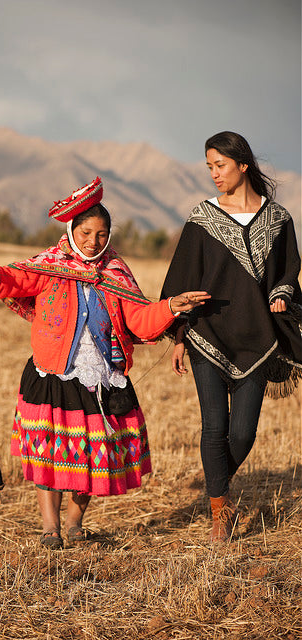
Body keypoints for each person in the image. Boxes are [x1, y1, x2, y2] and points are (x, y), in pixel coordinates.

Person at [0, 177, 210, 549]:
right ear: (72, 231)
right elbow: (10, 279)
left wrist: (170, 306)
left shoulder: (117, 274)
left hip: (101, 379)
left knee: (89, 460)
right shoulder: (50, 267)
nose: (94, 241)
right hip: (53, 376)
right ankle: (49, 528)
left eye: (102, 234)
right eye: (86, 232)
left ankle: (75, 522)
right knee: (49, 459)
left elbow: (139, 320)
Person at [160, 132, 302, 543]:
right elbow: (182, 279)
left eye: (219, 165)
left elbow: (287, 272)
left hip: (256, 340)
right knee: (213, 429)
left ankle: (217, 488)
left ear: (242, 164)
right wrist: (180, 337)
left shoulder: (278, 219)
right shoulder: (201, 218)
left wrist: (280, 295)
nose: (213, 175)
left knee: (243, 434)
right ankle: (220, 511)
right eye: (209, 167)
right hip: (207, 335)